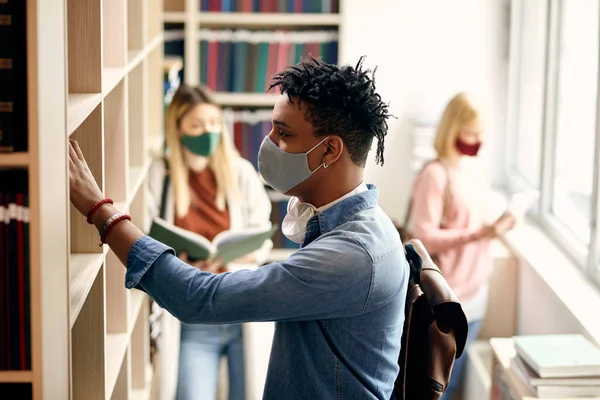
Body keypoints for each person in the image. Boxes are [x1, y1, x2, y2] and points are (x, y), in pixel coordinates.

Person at [68, 56, 409, 399]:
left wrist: (101, 212)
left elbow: (200, 298)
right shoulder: (350, 225)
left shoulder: (350, 256)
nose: (269, 142)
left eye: (284, 133)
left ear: (330, 150)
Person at [146, 84, 273, 400]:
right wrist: (181, 265)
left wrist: (228, 259)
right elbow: (147, 241)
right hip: (194, 318)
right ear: (178, 129)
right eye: (197, 125)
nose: (209, 132)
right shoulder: (160, 176)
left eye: (215, 123)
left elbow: (262, 238)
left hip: (241, 308)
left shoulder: (241, 173)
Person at [409, 92, 515, 399]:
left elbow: (478, 220)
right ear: (452, 129)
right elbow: (424, 236)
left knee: (456, 379)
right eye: (472, 133)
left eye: (482, 133)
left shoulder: (477, 169)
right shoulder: (435, 175)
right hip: (447, 296)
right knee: (438, 384)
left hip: (477, 291)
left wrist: (500, 224)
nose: (478, 140)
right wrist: (476, 234)